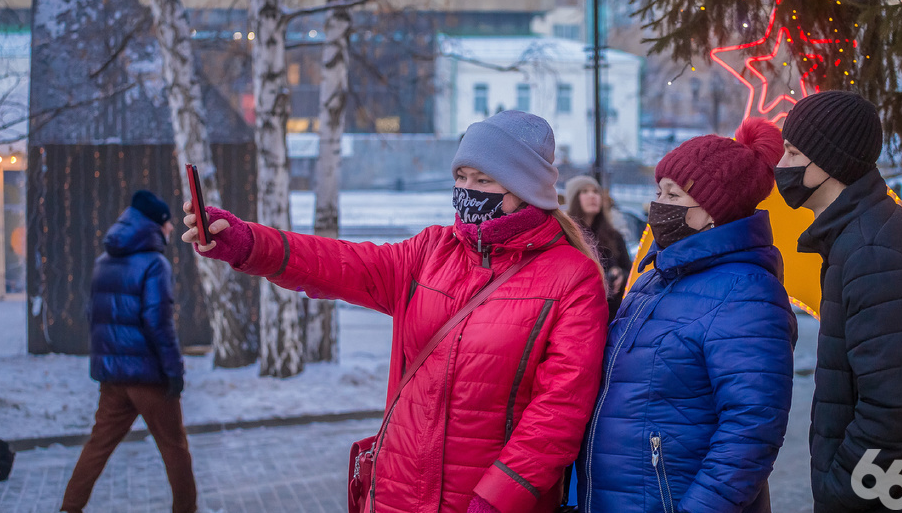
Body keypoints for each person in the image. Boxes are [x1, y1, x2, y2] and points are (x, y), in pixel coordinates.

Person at [183, 110, 609, 513]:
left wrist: (496, 498)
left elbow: (559, 411)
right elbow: (339, 263)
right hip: (395, 492)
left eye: (484, 179)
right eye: (461, 176)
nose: (467, 189)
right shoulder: (430, 250)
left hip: (482, 500)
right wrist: (248, 243)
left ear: (525, 189)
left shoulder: (572, 277)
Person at [578, 118, 797, 513]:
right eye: (658, 190)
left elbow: (751, 429)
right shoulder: (652, 281)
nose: (658, 205)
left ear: (714, 211)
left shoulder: (746, 292)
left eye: (673, 195)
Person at [777, 91, 902, 512]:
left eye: (792, 152)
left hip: (894, 499)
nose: (782, 165)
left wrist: (841, 486)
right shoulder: (862, 234)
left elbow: (899, 405)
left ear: (829, 161)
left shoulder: (871, 250)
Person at [62, 190, 195, 513]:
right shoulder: (155, 264)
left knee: (98, 445)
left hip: (113, 378)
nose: (171, 229)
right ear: (156, 224)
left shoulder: (104, 261)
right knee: (174, 447)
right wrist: (174, 371)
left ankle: (69, 508)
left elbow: (94, 315)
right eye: (168, 223)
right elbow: (158, 322)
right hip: (149, 378)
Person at [564, 175, 633, 320]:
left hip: (612, 316)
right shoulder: (565, 235)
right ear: (574, 199)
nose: (592, 196)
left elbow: (633, 274)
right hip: (577, 314)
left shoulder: (614, 236)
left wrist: (620, 274)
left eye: (596, 192)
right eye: (584, 191)